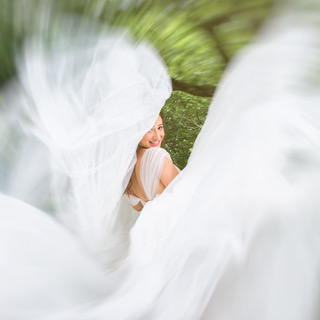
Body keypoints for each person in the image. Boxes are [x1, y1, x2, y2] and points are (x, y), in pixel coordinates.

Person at [0, 5, 320, 320]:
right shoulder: (157, 157)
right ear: (134, 134)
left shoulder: (123, 179)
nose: (156, 135)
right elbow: (187, 203)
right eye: (148, 129)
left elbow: (141, 214)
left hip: (146, 256)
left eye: (159, 126)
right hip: (168, 248)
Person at [125, 112, 179, 212]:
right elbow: (185, 195)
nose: (157, 137)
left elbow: (138, 208)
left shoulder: (126, 169)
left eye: (160, 128)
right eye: (149, 130)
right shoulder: (156, 155)